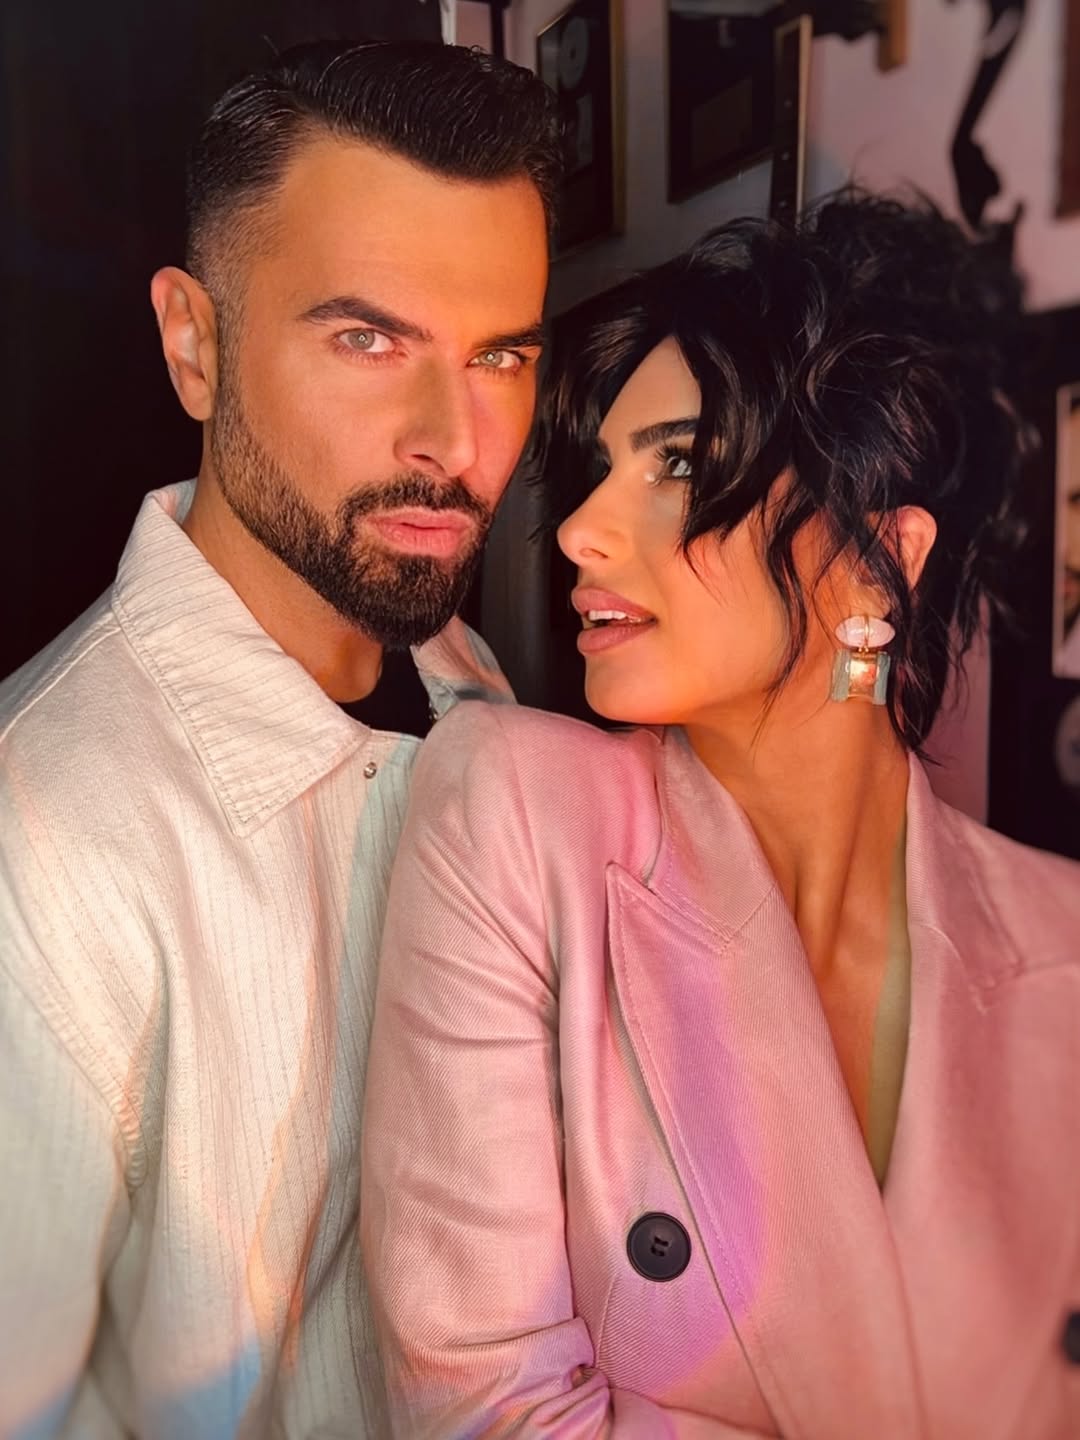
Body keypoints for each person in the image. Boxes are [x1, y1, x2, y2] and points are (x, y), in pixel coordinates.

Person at [361, 194, 1080, 1438]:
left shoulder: (1060, 941)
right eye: (605, 468)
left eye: (680, 466)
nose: (580, 529)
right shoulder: (516, 815)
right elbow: (482, 1403)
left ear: (879, 556)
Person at [0, 38, 558, 1439]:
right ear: (194, 344)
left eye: (499, 355)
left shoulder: (469, 679)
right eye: (367, 340)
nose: (452, 440)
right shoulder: (38, 839)